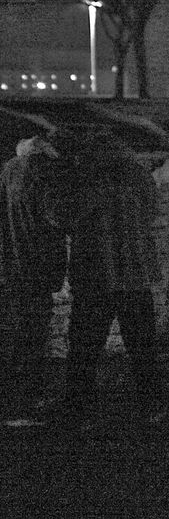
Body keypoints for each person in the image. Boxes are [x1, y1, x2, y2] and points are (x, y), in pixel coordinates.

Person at [64, 149, 164, 423]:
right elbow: (152, 211)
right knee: (142, 346)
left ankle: (79, 408)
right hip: (134, 274)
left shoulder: (84, 179)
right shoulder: (137, 176)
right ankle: (150, 405)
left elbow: (64, 216)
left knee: (84, 346)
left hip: (96, 275)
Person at [0, 135, 69, 422]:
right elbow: (57, 217)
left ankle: (13, 399)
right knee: (34, 334)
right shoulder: (43, 173)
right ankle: (27, 401)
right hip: (38, 266)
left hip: (11, 267)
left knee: (14, 332)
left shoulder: (8, 172)